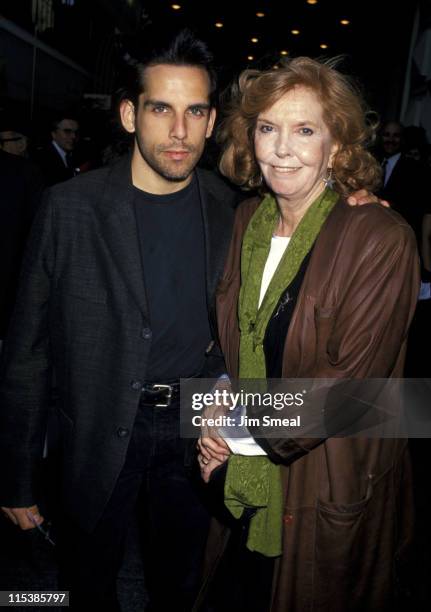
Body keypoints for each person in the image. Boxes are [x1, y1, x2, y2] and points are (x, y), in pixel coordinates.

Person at [0, 30, 237, 612]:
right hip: (97, 426)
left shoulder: (231, 206)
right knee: (88, 583)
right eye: (161, 109)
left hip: (192, 430)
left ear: (211, 122)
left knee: (179, 584)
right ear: (130, 115)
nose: (179, 131)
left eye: (195, 111)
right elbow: (26, 351)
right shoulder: (70, 207)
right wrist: (14, 476)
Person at [197, 57, 420, 612]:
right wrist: (211, 404)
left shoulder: (381, 236)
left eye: (304, 130)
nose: (281, 148)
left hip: (326, 476)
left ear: (336, 146)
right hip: (243, 470)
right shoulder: (246, 218)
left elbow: (349, 390)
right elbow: (236, 338)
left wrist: (235, 433)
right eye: (268, 128)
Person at [35, 114, 80, 186]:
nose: (73, 136)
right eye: (67, 131)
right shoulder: (41, 159)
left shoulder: (77, 155)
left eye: (76, 132)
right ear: (54, 134)